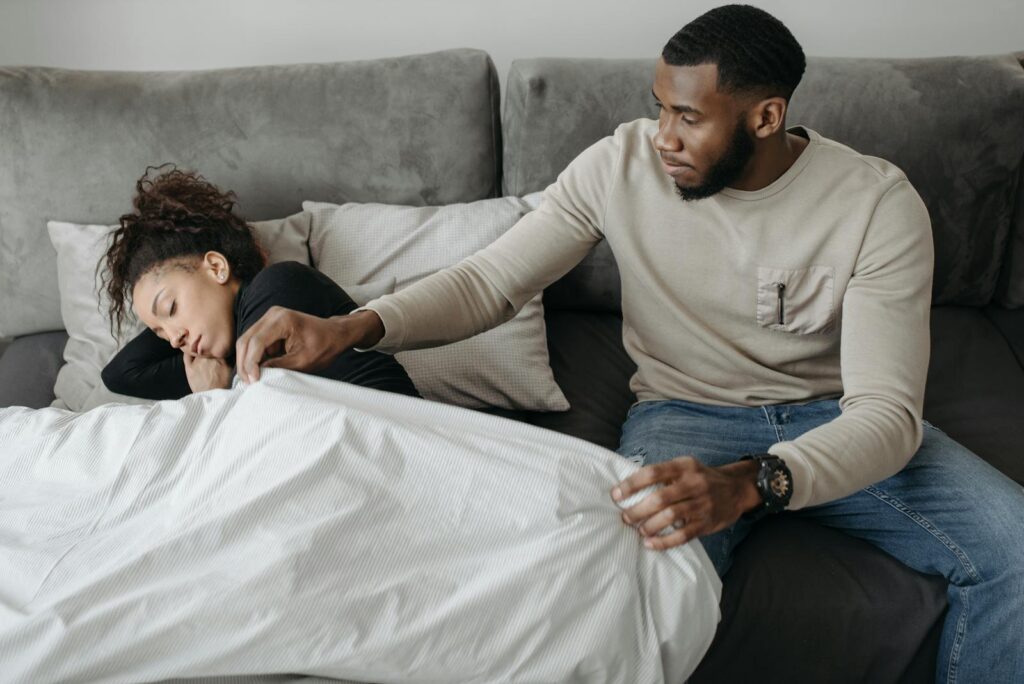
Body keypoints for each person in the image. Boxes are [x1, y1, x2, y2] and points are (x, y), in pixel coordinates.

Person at [232, 5, 1024, 681]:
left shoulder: (876, 204)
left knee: (1017, 552)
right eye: (659, 108)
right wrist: (351, 326)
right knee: (638, 590)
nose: (663, 137)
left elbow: (886, 414)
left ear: (766, 117)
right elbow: (488, 284)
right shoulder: (619, 165)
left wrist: (756, 482)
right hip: (684, 415)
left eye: (689, 117)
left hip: (834, 417)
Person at [100, 165, 420, 401]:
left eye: (171, 307)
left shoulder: (278, 288)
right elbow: (119, 374)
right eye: (159, 333)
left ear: (215, 266)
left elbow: (260, 427)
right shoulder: (223, 359)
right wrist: (169, 323)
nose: (173, 341)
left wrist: (214, 395)